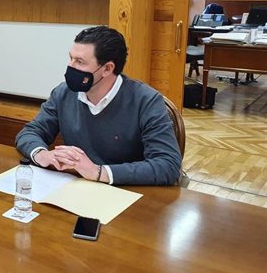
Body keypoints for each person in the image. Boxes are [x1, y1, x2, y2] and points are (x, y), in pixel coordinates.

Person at [15, 26, 181, 186]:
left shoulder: (147, 101)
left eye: (80, 62)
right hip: (75, 188)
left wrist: (98, 172)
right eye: (70, 58)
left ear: (107, 69)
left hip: (126, 193)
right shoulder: (64, 93)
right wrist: (41, 154)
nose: (70, 67)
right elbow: (30, 132)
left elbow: (168, 165)